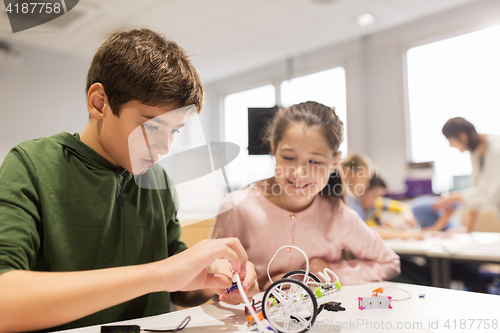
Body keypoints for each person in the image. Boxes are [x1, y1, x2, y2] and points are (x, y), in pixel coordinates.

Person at [0, 29, 258, 333]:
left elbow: (176, 281)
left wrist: (213, 277)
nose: (164, 148)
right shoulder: (31, 164)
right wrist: (161, 273)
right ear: (99, 104)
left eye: (174, 131)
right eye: (152, 127)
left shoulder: (157, 180)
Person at [210, 101, 400, 290]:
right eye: (288, 157)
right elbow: (209, 280)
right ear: (274, 149)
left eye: (314, 161)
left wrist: (327, 273)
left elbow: (390, 263)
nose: (299, 173)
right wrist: (227, 286)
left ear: (334, 162)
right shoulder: (237, 207)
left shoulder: (339, 216)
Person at [433, 117, 500, 232]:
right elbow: (475, 191)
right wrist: (468, 229)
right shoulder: (475, 152)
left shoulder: (496, 149)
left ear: (462, 137)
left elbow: (483, 193)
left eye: (449, 140)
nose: (450, 145)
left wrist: (451, 198)